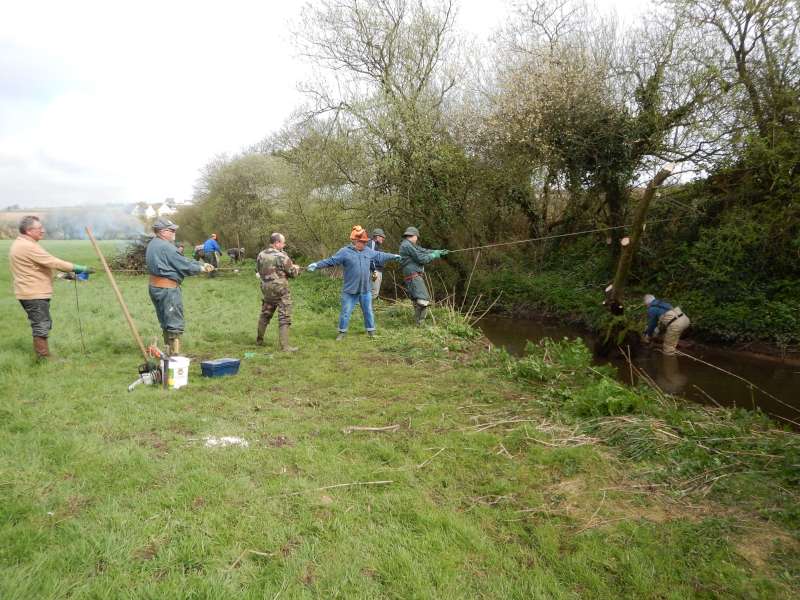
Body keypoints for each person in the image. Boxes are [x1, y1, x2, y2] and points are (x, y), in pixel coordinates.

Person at [8, 215, 94, 358]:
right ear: (29, 231)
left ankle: (43, 356)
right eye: (40, 228)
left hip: (30, 291)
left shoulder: (22, 243)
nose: (43, 231)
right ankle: (44, 358)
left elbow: (36, 268)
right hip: (33, 293)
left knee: (42, 322)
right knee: (41, 324)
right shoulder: (27, 246)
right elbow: (52, 262)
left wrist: (67, 275)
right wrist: (78, 268)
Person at [307, 225, 400, 340]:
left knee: (368, 311)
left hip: (365, 289)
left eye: (366, 241)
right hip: (350, 290)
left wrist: (394, 256)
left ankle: (371, 332)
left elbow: (380, 255)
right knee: (345, 312)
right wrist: (317, 265)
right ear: (355, 241)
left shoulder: (368, 251)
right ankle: (342, 332)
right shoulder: (344, 252)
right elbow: (331, 261)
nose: (365, 244)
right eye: (362, 242)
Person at [146, 218, 214, 355]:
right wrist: (201, 269)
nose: (174, 232)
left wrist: (201, 264)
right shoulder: (166, 247)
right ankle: (174, 356)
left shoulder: (154, 243)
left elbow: (181, 259)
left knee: (165, 320)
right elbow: (183, 264)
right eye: (172, 230)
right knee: (174, 322)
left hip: (155, 287)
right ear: (163, 232)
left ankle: (167, 351)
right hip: (167, 289)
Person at [256, 233, 301, 352]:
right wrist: (296, 268)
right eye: (283, 242)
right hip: (281, 290)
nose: (284, 244)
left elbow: (258, 270)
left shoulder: (261, 254)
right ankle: (285, 347)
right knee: (284, 316)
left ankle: (259, 340)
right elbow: (293, 273)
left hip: (266, 288)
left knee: (265, 313)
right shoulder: (282, 256)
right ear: (277, 243)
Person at [398, 226, 449, 325]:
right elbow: (421, 258)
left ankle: (418, 323)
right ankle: (419, 323)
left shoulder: (410, 245)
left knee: (419, 299)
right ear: (414, 236)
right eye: (417, 237)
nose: (417, 239)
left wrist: (437, 251)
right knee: (423, 299)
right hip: (413, 275)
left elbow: (423, 250)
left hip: (413, 274)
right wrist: (433, 256)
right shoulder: (407, 245)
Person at [367, 228, 386, 301]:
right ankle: (366, 309)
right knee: (373, 293)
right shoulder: (372, 243)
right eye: (382, 237)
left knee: (373, 292)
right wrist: (374, 271)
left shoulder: (375, 245)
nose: (383, 239)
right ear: (377, 236)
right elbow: (370, 258)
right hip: (375, 271)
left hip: (376, 271)